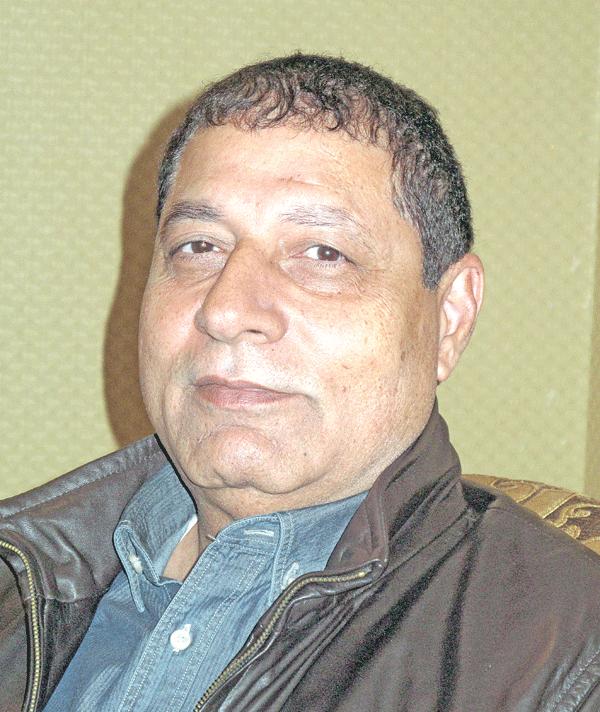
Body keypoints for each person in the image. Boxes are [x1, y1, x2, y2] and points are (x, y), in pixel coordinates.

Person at [1, 53, 600, 712]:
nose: (227, 310)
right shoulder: (20, 572)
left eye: (323, 254)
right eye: (199, 246)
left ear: (449, 318)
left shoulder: (567, 662)